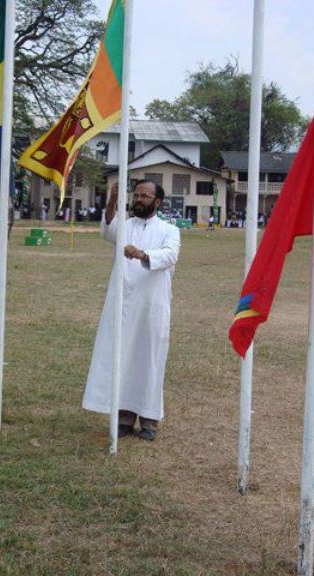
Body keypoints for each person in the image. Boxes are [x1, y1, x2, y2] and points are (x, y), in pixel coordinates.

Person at [82, 180, 181, 441]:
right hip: (124, 305)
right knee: (123, 357)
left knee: (149, 358)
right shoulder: (126, 226)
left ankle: (149, 418)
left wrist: (142, 254)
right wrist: (113, 199)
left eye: (145, 195)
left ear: (157, 201)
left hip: (152, 306)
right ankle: (124, 415)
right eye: (136, 195)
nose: (139, 199)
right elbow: (108, 231)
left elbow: (170, 256)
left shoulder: (169, 230)